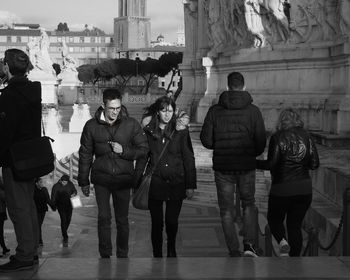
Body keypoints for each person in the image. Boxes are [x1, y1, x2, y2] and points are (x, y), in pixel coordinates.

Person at [200, 71, 266, 257]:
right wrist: (250, 152)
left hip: (223, 166)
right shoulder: (254, 111)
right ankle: (250, 246)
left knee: (226, 209)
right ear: (243, 86)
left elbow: (206, 140)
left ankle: (233, 249)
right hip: (246, 165)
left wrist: (218, 144)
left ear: (227, 86)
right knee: (249, 204)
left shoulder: (215, 110)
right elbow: (261, 143)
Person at [78, 88, 148, 259]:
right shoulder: (91, 126)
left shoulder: (131, 124)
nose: (115, 112)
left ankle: (123, 254)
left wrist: (123, 151)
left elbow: (143, 149)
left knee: (122, 220)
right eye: (111, 108)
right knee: (103, 218)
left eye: (118, 108)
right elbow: (85, 154)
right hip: (101, 179)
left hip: (123, 180)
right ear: (103, 105)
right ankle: (105, 255)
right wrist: (83, 181)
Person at [136, 96, 196, 258]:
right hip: (155, 182)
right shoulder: (149, 131)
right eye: (163, 110)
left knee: (171, 221)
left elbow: (188, 158)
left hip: (176, 182)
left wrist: (190, 184)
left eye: (170, 111)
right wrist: (137, 181)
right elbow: (143, 157)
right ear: (157, 112)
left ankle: (171, 248)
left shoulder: (181, 131)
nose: (167, 114)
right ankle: (157, 252)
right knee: (157, 222)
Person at [256, 108, 319, 257]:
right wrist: (301, 164)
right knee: (295, 226)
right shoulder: (307, 136)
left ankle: (282, 241)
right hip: (304, 188)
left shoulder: (277, 137)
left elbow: (271, 164)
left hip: (282, 187)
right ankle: (295, 261)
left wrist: (254, 163)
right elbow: (314, 164)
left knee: (274, 219)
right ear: (297, 119)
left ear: (281, 121)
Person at [0, 48, 41, 271]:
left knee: (18, 208)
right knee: (29, 206)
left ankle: (24, 255)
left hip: (13, 159)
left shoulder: (9, 96)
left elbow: (5, 132)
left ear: (7, 66)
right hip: (31, 158)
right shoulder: (33, 90)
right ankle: (31, 250)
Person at [51, 175, 77, 247]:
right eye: (63, 182)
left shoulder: (70, 184)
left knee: (68, 219)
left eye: (65, 182)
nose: (64, 183)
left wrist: (74, 194)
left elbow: (74, 191)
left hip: (69, 205)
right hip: (60, 205)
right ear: (60, 180)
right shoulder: (56, 186)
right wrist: (53, 206)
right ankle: (65, 236)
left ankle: (64, 230)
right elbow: (53, 196)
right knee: (63, 219)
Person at [34, 177, 54, 247]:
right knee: (38, 225)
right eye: (40, 182)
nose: (42, 183)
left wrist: (53, 206)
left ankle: (37, 239)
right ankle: (39, 240)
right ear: (36, 183)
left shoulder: (44, 189)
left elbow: (48, 199)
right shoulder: (33, 190)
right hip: (36, 210)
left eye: (42, 182)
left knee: (39, 225)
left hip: (43, 210)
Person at [0, 169, 10, 257]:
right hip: (0, 212)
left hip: (1, 212)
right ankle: (4, 248)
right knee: (0, 231)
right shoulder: (2, 191)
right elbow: (6, 199)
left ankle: (4, 248)